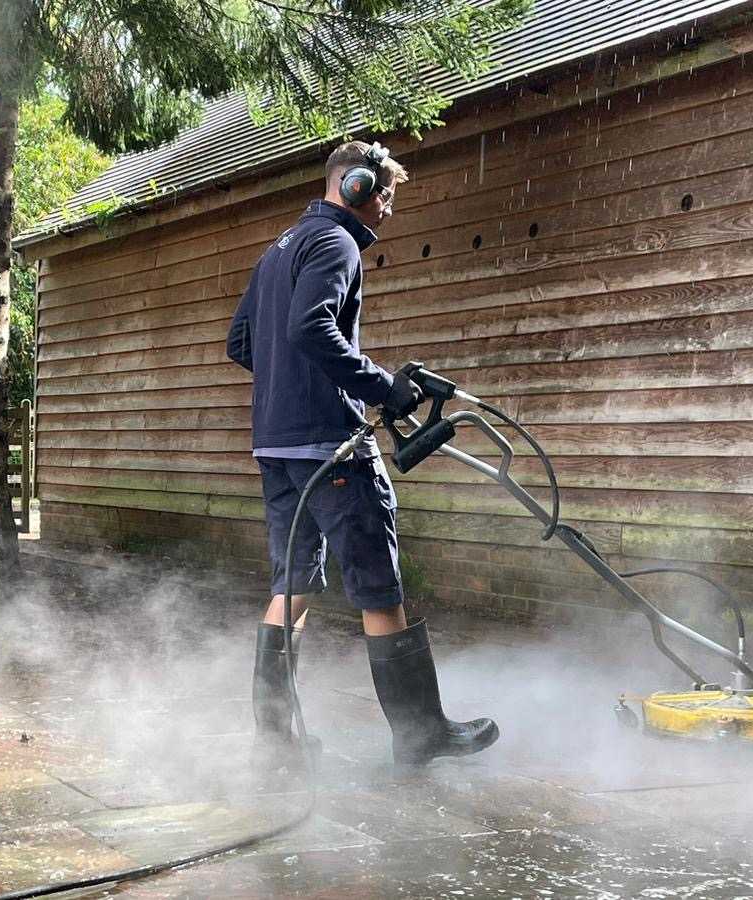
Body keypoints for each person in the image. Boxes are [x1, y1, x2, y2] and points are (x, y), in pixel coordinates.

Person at [225, 140, 498, 769]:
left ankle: (275, 743)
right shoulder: (337, 243)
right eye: (385, 194)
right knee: (378, 584)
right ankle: (421, 734)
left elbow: (243, 340)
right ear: (351, 186)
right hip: (331, 445)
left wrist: (288, 384)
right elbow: (311, 327)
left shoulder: (279, 249)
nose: (388, 209)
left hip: (277, 445)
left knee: (292, 583)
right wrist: (383, 389)